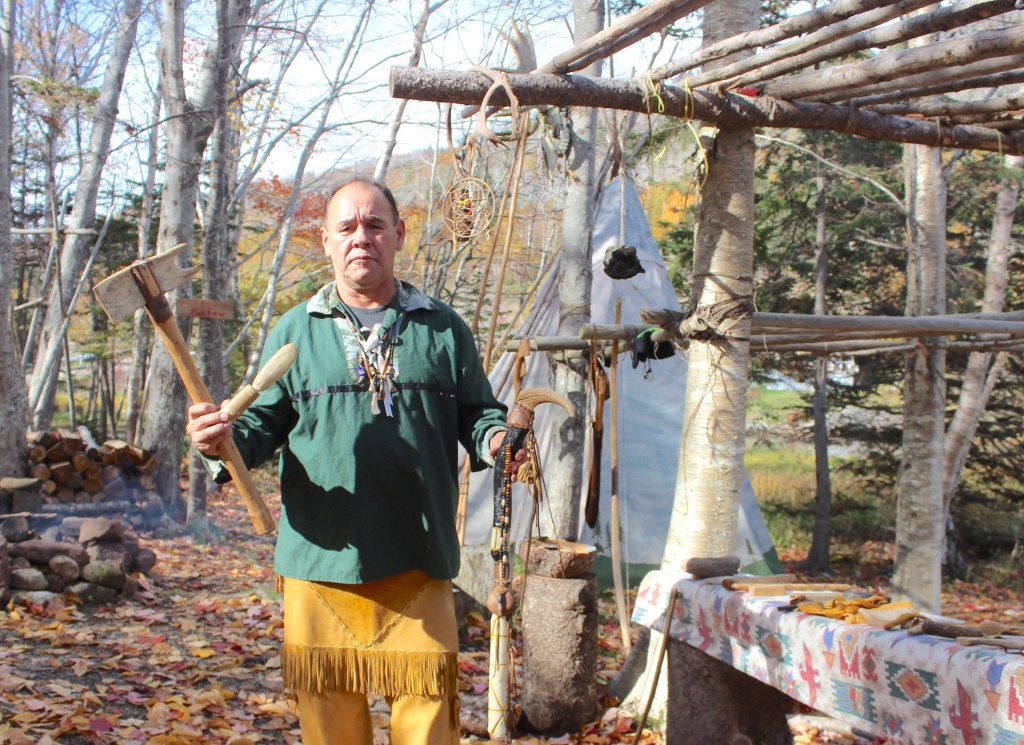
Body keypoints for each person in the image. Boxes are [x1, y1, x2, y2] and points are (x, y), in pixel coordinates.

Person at [186, 178, 522, 745]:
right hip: (321, 561)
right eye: (346, 227)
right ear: (325, 240)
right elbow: (259, 428)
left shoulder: (442, 327)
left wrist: (496, 440)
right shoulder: (295, 331)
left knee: (428, 722)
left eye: (374, 225)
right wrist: (219, 439)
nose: (360, 238)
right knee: (330, 723)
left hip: (419, 557)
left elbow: (477, 413)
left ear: (399, 234)